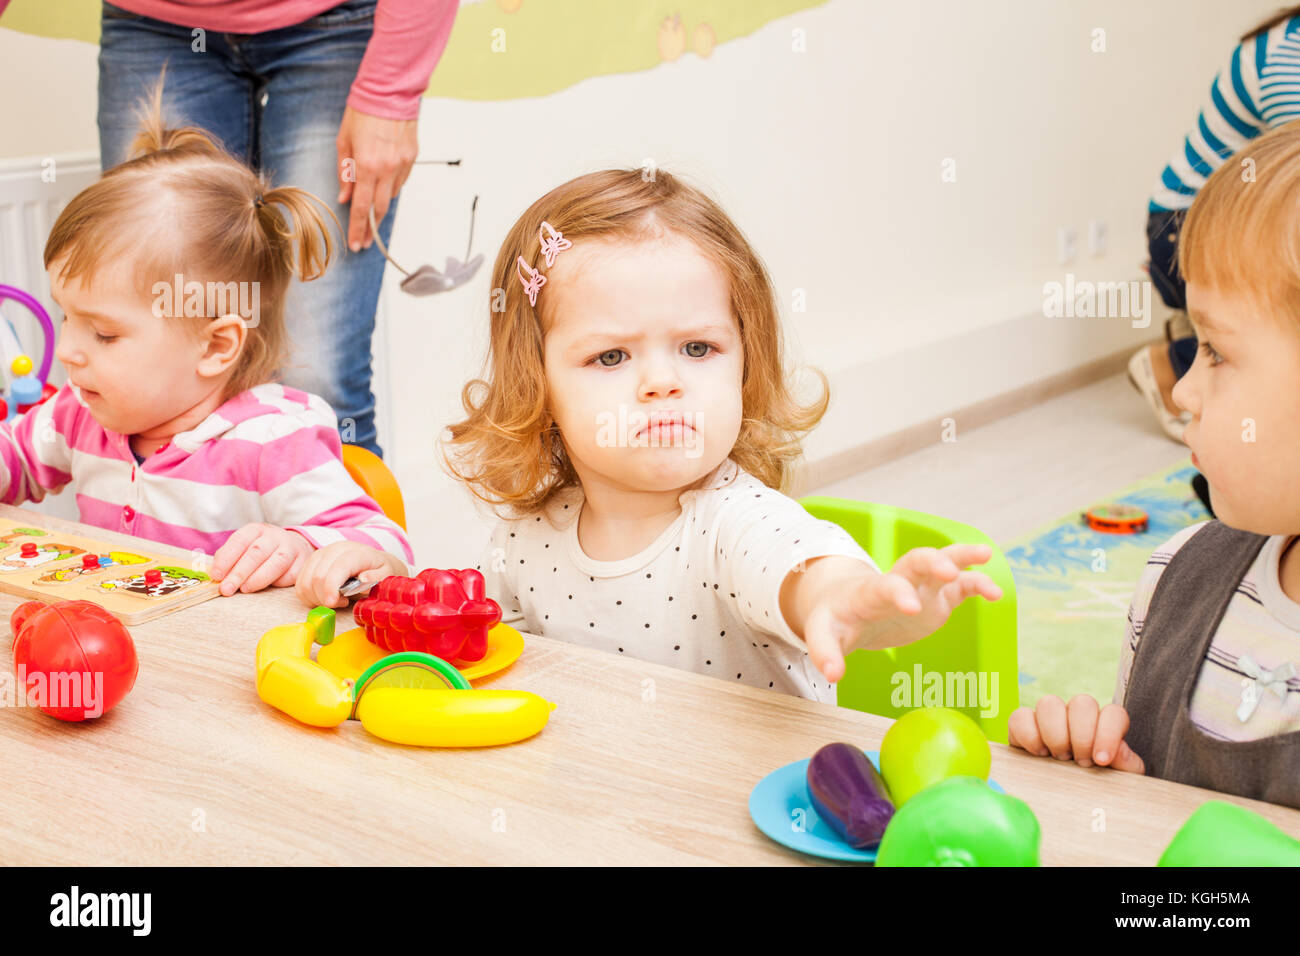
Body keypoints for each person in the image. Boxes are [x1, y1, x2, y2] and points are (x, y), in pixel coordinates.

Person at [305, 169, 1003, 702]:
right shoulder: (526, 540)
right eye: (612, 357)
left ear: (746, 360)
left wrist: (848, 603)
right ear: (538, 389)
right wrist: (389, 595)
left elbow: (804, 579)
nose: (663, 383)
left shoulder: (736, 524)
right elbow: (471, 647)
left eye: (698, 349)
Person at [1009, 119, 1300, 810]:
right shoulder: (1178, 578)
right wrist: (1091, 761)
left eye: (1217, 352)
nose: (1185, 389)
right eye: (1191, 344)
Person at [27, 92, 412, 606]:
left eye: (104, 334)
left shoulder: (272, 440)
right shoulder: (78, 412)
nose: (69, 352)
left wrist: (303, 545)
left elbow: (387, 550)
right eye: (64, 317)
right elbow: (14, 458)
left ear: (215, 346)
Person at [97, 0, 459, 455]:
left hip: (337, 27)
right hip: (151, 23)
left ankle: (341, 528)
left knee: (318, 380)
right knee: (155, 368)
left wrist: (391, 92)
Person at [1131, 6, 1300, 447]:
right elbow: (1293, 181)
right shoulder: (1287, 54)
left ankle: (1201, 339)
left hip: (1237, 219)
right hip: (1183, 228)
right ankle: (1175, 361)